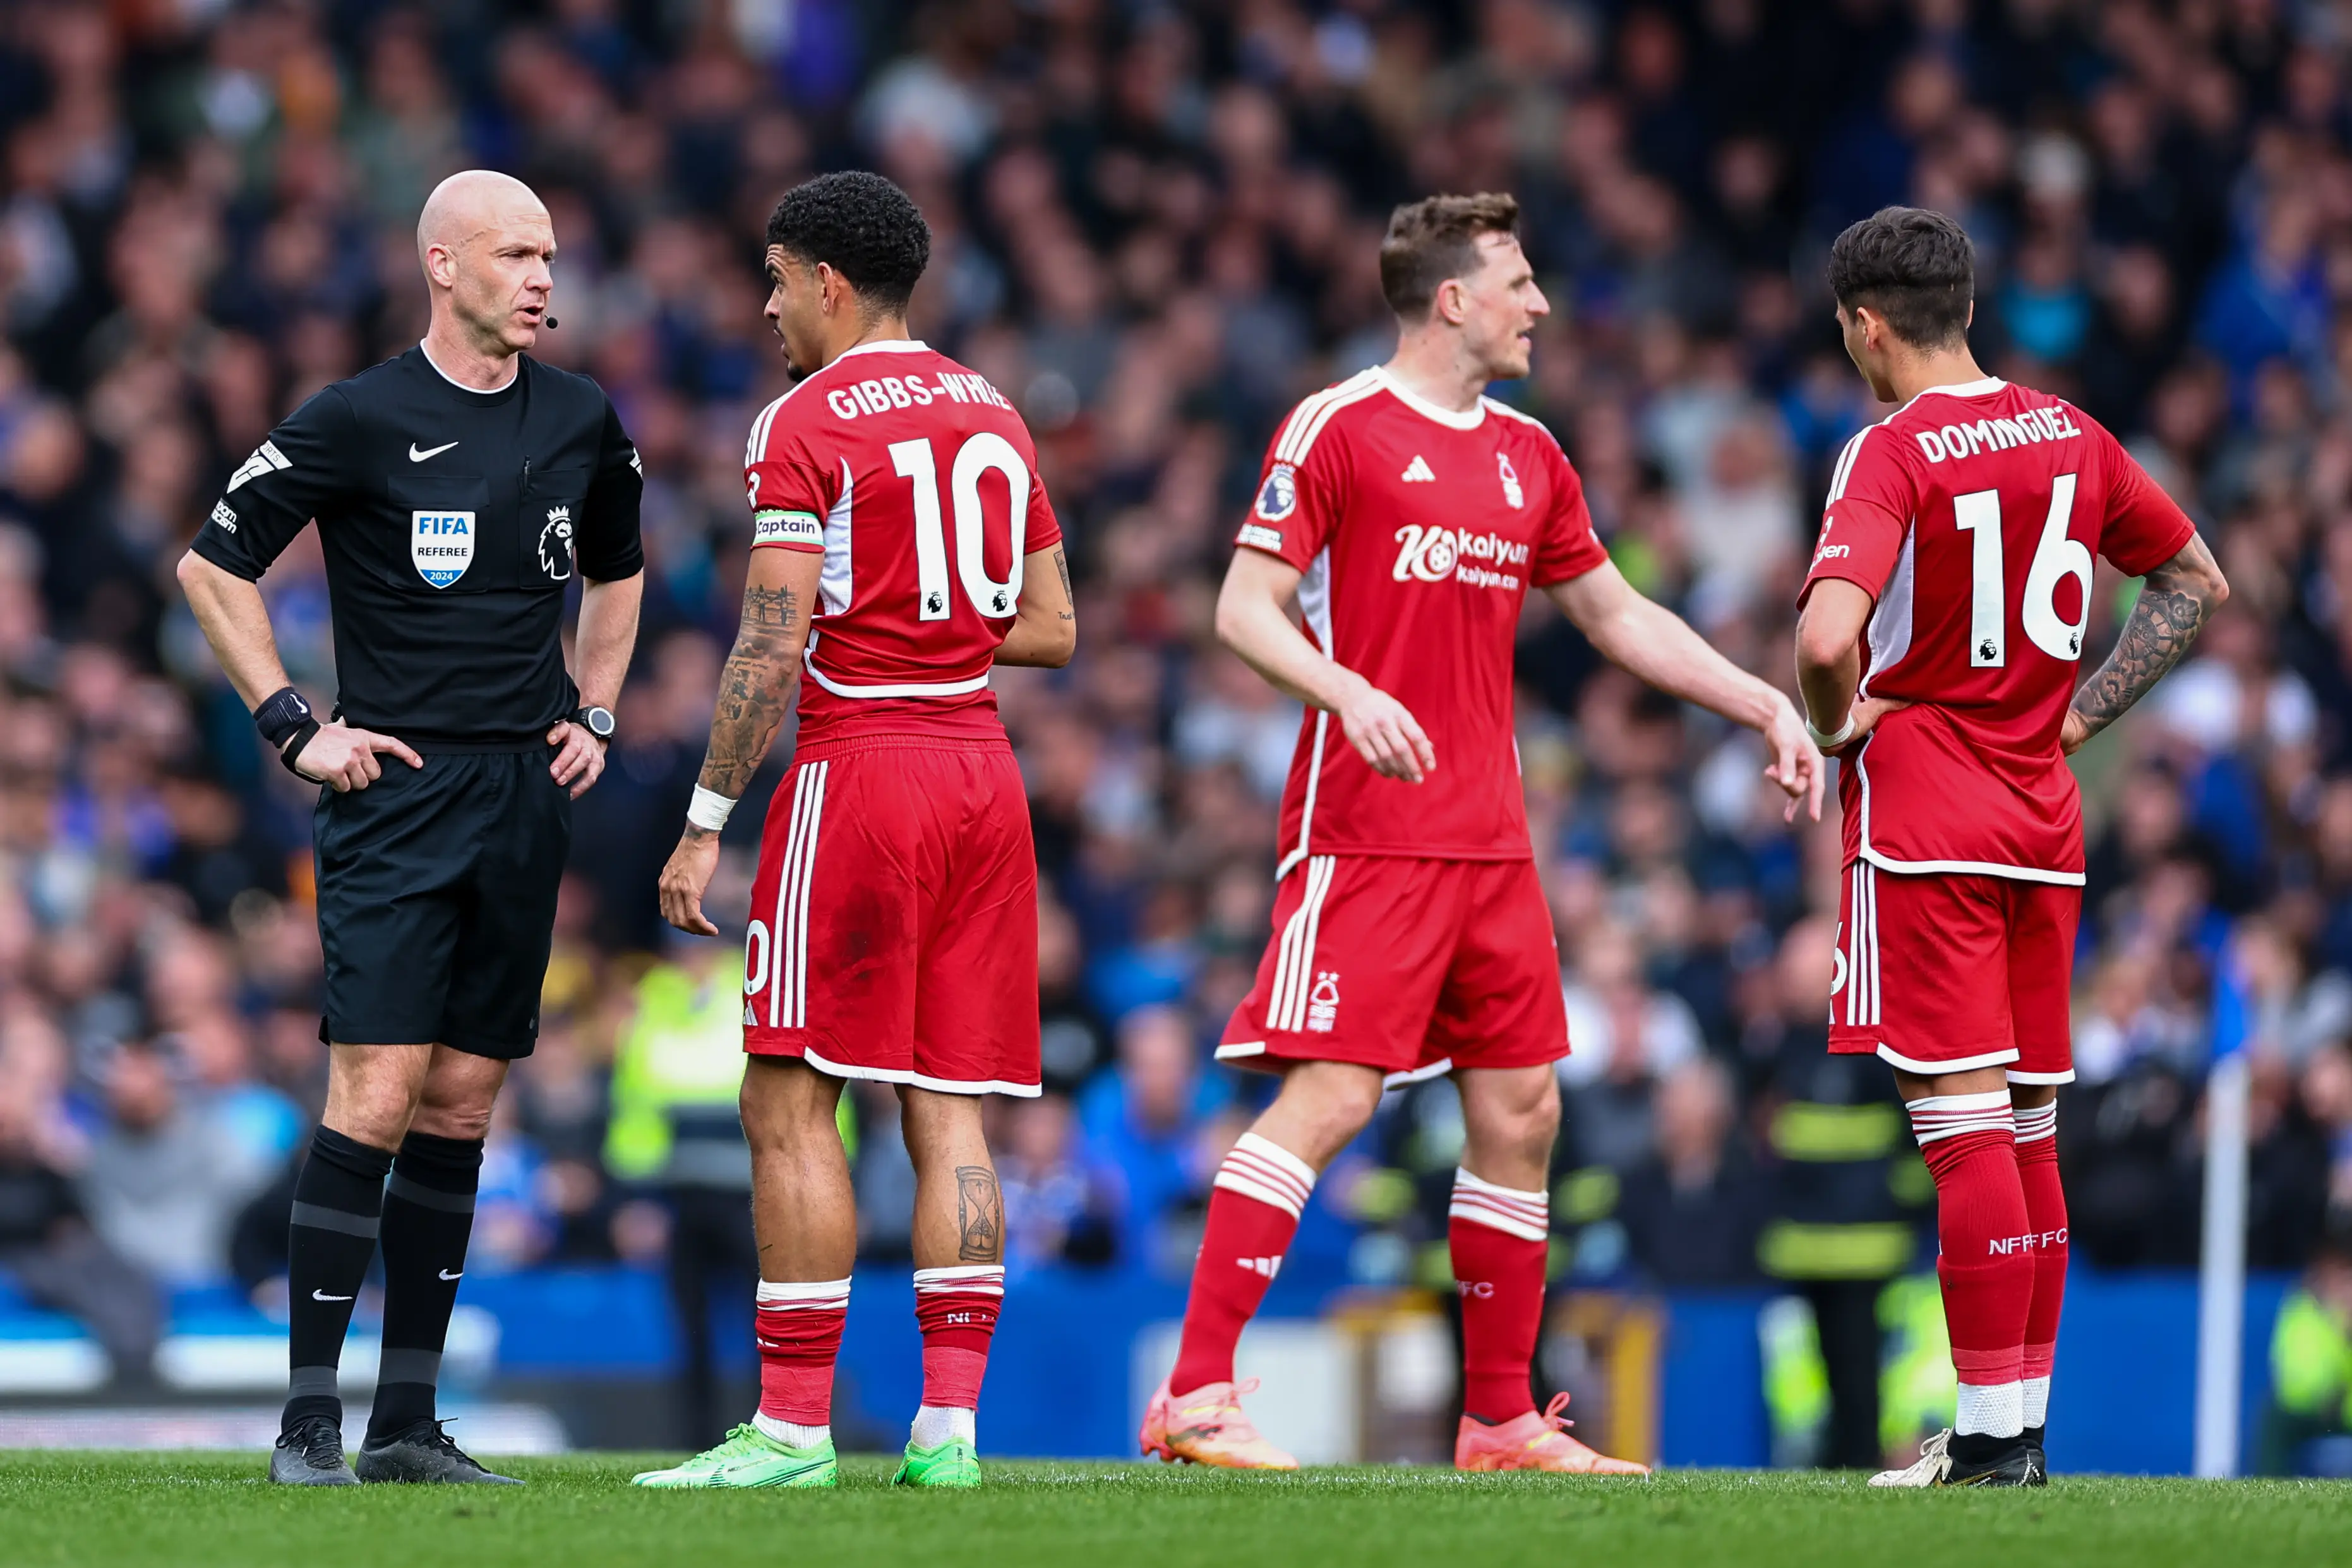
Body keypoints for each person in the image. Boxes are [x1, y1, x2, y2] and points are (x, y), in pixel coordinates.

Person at [1141, 191, 1821, 1476]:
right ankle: (1193, 1390)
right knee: (1333, 1094)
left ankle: (1501, 1417)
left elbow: (1618, 615)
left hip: (1492, 840)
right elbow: (1243, 605)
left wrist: (1757, 702)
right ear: (1450, 297)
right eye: (1516, 281)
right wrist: (1344, 687)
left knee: (1519, 1106)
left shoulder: (1530, 456)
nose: (1540, 305)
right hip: (1367, 829)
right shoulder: (1336, 426)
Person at [176, 169, 645, 1486]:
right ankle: (307, 1420)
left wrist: (595, 712)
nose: (544, 276)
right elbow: (211, 565)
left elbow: (620, 569)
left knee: (460, 1100)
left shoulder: (582, 417)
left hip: (523, 794)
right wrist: (290, 721)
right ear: (444, 266)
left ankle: (406, 1421)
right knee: (374, 1090)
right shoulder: (358, 416)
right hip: (394, 791)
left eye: (551, 254)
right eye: (515, 254)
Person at [633, 170, 1074, 1492]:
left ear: (829, 281)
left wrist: (704, 819)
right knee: (948, 1111)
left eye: (775, 282)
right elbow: (1053, 626)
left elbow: (768, 647)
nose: (766, 310)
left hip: (863, 765)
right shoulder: (994, 409)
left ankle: (788, 1429)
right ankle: (948, 1432)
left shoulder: (802, 420)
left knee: (785, 1092)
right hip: (981, 775)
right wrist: (931, 619)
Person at [1793, 206, 2227, 1488]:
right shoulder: (2069, 432)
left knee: (1959, 1122)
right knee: (2026, 1124)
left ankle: (1985, 1440)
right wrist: (2077, 712)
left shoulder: (1887, 451)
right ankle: (2014, 1431)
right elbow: (2194, 579)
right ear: (1967, 308)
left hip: (1928, 810)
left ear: (1866, 325)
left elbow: (1825, 641)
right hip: (2042, 816)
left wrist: (1837, 727)